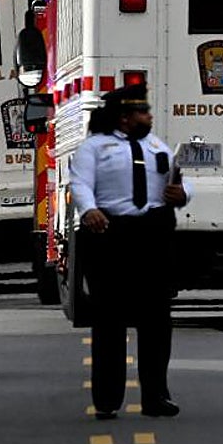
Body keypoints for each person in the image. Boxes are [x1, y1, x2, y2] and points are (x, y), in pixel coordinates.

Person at [70, 84, 191, 420]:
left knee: (157, 319)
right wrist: (89, 209)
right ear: (124, 117)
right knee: (109, 319)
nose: (149, 117)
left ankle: (156, 395)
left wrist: (184, 193)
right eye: (142, 112)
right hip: (110, 235)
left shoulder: (156, 146)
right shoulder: (94, 148)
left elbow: (178, 179)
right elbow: (80, 182)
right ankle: (108, 397)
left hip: (151, 235)